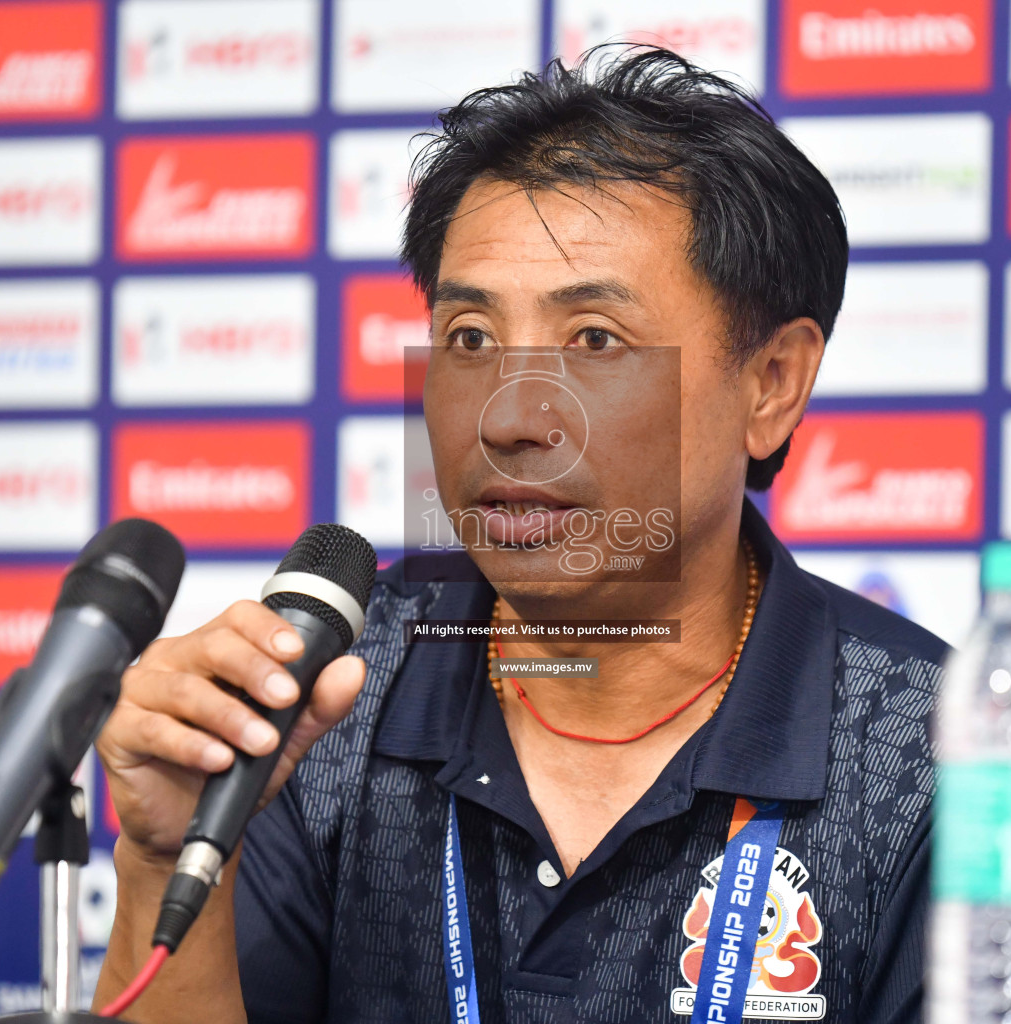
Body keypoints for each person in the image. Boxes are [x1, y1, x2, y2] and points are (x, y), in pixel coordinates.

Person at [94, 47, 945, 1024]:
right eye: (468, 339)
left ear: (772, 383)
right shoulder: (326, 699)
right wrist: (167, 860)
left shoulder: (936, 752)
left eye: (594, 340)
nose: (507, 416)